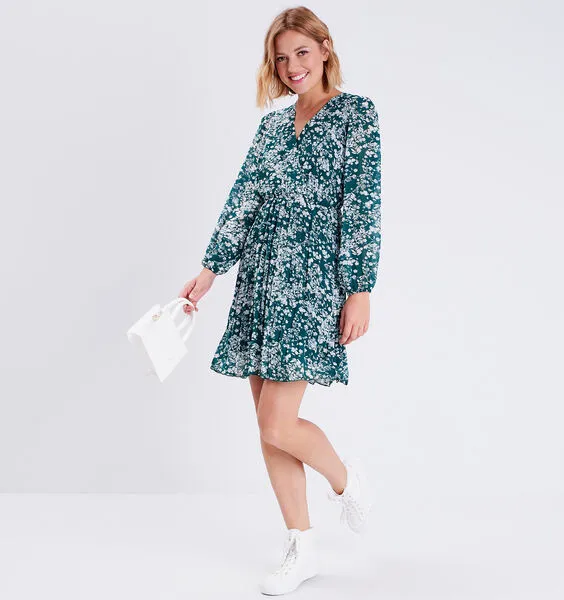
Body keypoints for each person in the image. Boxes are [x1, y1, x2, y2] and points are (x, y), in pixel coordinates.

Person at [178, 6, 381, 595]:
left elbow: (362, 205)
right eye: (282, 56)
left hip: (312, 284)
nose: (292, 66)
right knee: (269, 428)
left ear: (324, 49)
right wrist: (210, 270)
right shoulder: (271, 127)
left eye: (302, 52)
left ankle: (346, 481)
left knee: (277, 420)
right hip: (260, 282)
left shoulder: (356, 116)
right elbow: (243, 197)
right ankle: (302, 545)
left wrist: (359, 289)